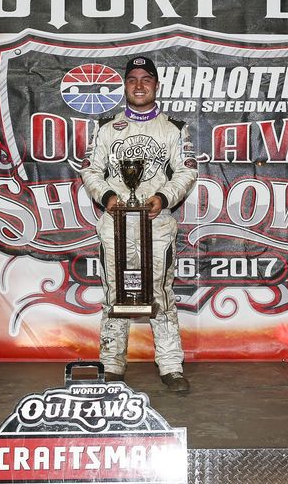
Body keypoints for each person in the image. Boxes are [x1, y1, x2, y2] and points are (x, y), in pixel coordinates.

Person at [80, 56, 198, 393]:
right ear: (125, 85)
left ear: (156, 85)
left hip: (155, 223)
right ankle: (112, 365)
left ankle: (172, 366)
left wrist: (163, 196)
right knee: (115, 293)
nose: (139, 85)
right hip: (116, 223)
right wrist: (106, 196)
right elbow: (90, 169)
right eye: (132, 79)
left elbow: (187, 170)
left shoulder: (173, 128)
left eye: (146, 79)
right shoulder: (105, 127)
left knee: (160, 293)